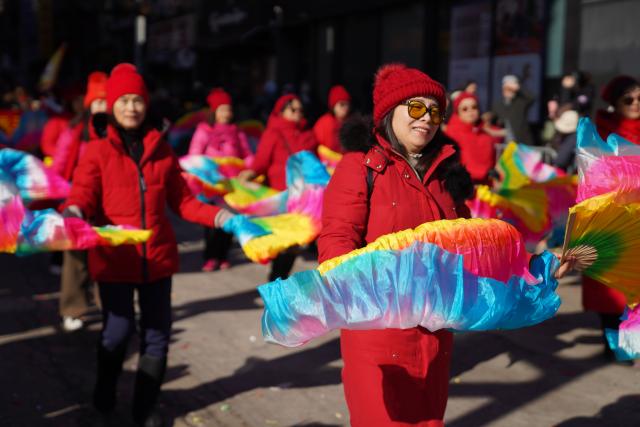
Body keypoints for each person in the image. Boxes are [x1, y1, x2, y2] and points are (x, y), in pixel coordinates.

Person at [63, 63, 234, 426]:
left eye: (137, 100)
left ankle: (145, 409)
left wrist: (219, 217)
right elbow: (83, 194)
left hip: (157, 259)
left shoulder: (161, 149)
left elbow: (183, 202)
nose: (131, 108)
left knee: (157, 335)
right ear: (112, 106)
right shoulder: (97, 152)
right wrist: (75, 210)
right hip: (115, 259)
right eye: (123, 100)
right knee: (117, 331)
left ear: (145, 104)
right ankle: (106, 387)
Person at [318, 63, 474, 426]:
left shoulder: (447, 173)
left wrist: (536, 266)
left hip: (434, 335)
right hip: (377, 333)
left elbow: (474, 244)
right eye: (416, 107)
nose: (427, 118)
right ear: (390, 112)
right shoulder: (361, 166)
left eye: (435, 110)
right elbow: (336, 242)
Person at [587, 75, 640, 359]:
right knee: (611, 288)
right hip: (613, 218)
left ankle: (632, 342)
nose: (635, 105)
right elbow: (593, 176)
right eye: (628, 99)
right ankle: (613, 342)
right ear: (614, 103)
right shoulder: (601, 132)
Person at [238, 93, 318, 281]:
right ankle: (276, 279)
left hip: (303, 196)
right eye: (293, 109)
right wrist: (248, 174)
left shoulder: (308, 133)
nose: (298, 113)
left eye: (300, 109)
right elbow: (262, 161)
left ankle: (279, 278)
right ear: (282, 112)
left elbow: (314, 162)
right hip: (280, 195)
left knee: (295, 242)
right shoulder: (274, 132)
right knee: (285, 241)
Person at [52, 71, 108, 332]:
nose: (103, 107)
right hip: (77, 202)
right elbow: (61, 167)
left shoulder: (117, 132)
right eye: (98, 102)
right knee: (75, 260)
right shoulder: (74, 131)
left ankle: (108, 307)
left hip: (108, 205)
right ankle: (72, 309)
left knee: (107, 257)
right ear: (88, 105)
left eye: (107, 102)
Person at [188, 88, 254, 272]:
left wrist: (248, 169)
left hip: (232, 186)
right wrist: (207, 170)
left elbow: (248, 155)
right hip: (211, 185)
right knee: (211, 222)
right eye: (222, 109)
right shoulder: (204, 131)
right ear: (214, 112)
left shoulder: (237, 132)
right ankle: (210, 257)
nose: (226, 113)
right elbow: (195, 154)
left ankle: (223, 255)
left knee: (228, 222)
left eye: (229, 110)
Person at [444, 92, 496, 184]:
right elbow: (453, 165)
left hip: (484, 189)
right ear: (457, 112)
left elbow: (492, 164)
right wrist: (484, 172)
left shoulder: (486, 136)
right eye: (465, 109)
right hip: (462, 188)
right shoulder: (451, 134)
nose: (470, 111)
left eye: (474, 107)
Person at [492, 74, 535, 145]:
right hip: (504, 144)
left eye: (512, 89)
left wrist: (518, 88)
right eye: (507, 88)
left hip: (522, 144)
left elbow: (532, 97)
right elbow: (492, 121)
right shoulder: (497, 105)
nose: (510, 91)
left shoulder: (521, 102)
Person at [313, 85, 351, 152]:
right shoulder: (324, 123)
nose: (345, 107)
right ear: (333, 105)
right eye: (342, 104)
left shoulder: (351, 122)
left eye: (347, 104)